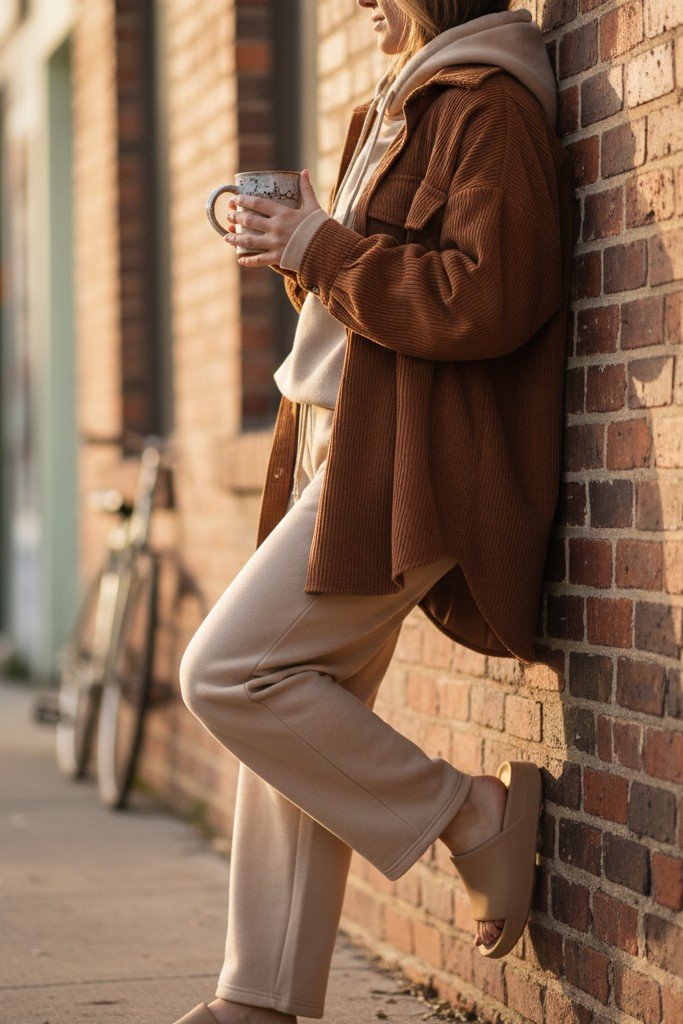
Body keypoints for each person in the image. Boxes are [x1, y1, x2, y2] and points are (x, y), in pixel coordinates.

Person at [173, 1, 573, 1022]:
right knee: (300, 702)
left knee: (228, 672)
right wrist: (302, 249)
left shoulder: (489, 104)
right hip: (339, 442)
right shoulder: (395, 102)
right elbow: (363, 298)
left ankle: (469, 811)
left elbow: (485, 298)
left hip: (412, 463)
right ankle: (259, 999)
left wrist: (323, 247)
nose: (356, 3)